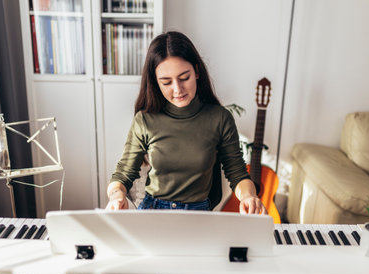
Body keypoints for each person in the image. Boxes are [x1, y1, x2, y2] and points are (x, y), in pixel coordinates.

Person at [106, 31, 265, 215]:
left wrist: (248, 197)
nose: (177, 89)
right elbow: (122, 175)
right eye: (166, 82)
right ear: (156, 82)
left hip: (199, 213)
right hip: (153, 210)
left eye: (184, 78)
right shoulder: (145, 120)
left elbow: (237, 174)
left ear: (196, 71)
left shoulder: (220, 118)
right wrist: (117, 195)